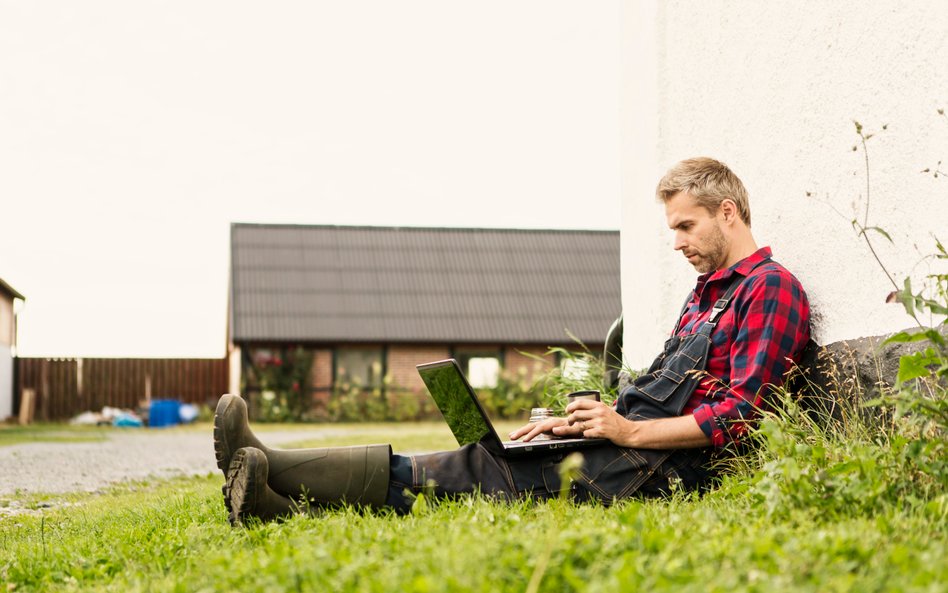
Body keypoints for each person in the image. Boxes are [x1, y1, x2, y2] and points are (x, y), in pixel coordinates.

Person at [214, 157, 811, 524]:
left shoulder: (771, 288)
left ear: (727, 212)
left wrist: (626, 431)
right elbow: (659, 388)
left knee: (478, 471)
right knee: (492, 460)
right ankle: (275, 493)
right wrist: (576, 420)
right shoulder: (706, 291)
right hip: (635, 446)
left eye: (686, 225)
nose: (677, 242)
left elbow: (742, 415)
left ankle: (274, 471)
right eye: (673, 229)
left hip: (666, 469)